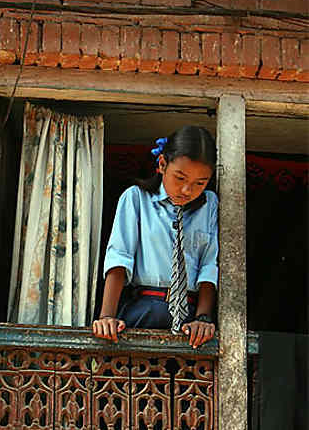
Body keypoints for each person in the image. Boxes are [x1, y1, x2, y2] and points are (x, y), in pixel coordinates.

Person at [92, 125, 218, 349]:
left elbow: (210, 263)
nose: (188, 190)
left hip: (191, 320)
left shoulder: (209, 205)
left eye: (200, 183)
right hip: (144, 309)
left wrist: (203, 318)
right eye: (180, 178)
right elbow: (120, 257)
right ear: (162, 165)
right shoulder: (136, 199)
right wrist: (106, 317)